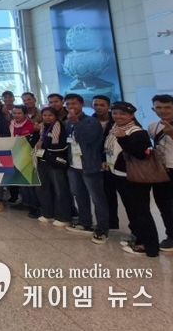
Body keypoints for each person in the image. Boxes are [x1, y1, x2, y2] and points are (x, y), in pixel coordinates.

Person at [104, 102, 160, 257]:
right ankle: (138, 238)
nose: (118, 116)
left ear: (131, 115)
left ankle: (150, 247)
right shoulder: (115, 128)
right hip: (119, 175)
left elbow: (140, 154)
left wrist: (123, 139)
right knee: (132, 211)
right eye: (115, 113)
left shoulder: (137, 132)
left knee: (141, 212)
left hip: (134, 178)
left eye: (122, 114)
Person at [64, 93, 109, 244]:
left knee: (97, 199)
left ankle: (102, 228)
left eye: (74, 104)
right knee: (79, 195)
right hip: (74, 165)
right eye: (68, 104)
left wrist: (77, 123)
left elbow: (88, 139)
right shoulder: (67, 122)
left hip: (90, 165)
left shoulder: (91, 121)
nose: (71, 107)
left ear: (81, 104)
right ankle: (85, 222)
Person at [148, 94, 173, 252]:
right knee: (165, 206)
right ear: (153, 109)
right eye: (159, 107)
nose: (163, 110)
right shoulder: (153, 127)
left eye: (167, 107)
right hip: (161, 172)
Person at [33, 107, 72, 227]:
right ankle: (47, 214)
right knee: (43, 188)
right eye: (45, 115)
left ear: (55, 116)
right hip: (43, 161)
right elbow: (41, 141)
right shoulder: (43, 127)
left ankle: (64, 217)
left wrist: (45, 149)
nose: (47, 118)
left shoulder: (59, 126)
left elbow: (61, 146)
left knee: (60, 189)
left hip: (55, 162)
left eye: (50, 115)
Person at [92, 96, 119, 231]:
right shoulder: (90, 120)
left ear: (108, 106)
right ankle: (105, 221)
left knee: (111, 193)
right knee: (100, 194)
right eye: (96, 105)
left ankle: (113, 222)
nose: (98, 107)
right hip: (95, 161)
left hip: (114, 163)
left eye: (102, 105)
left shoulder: (116, 120)